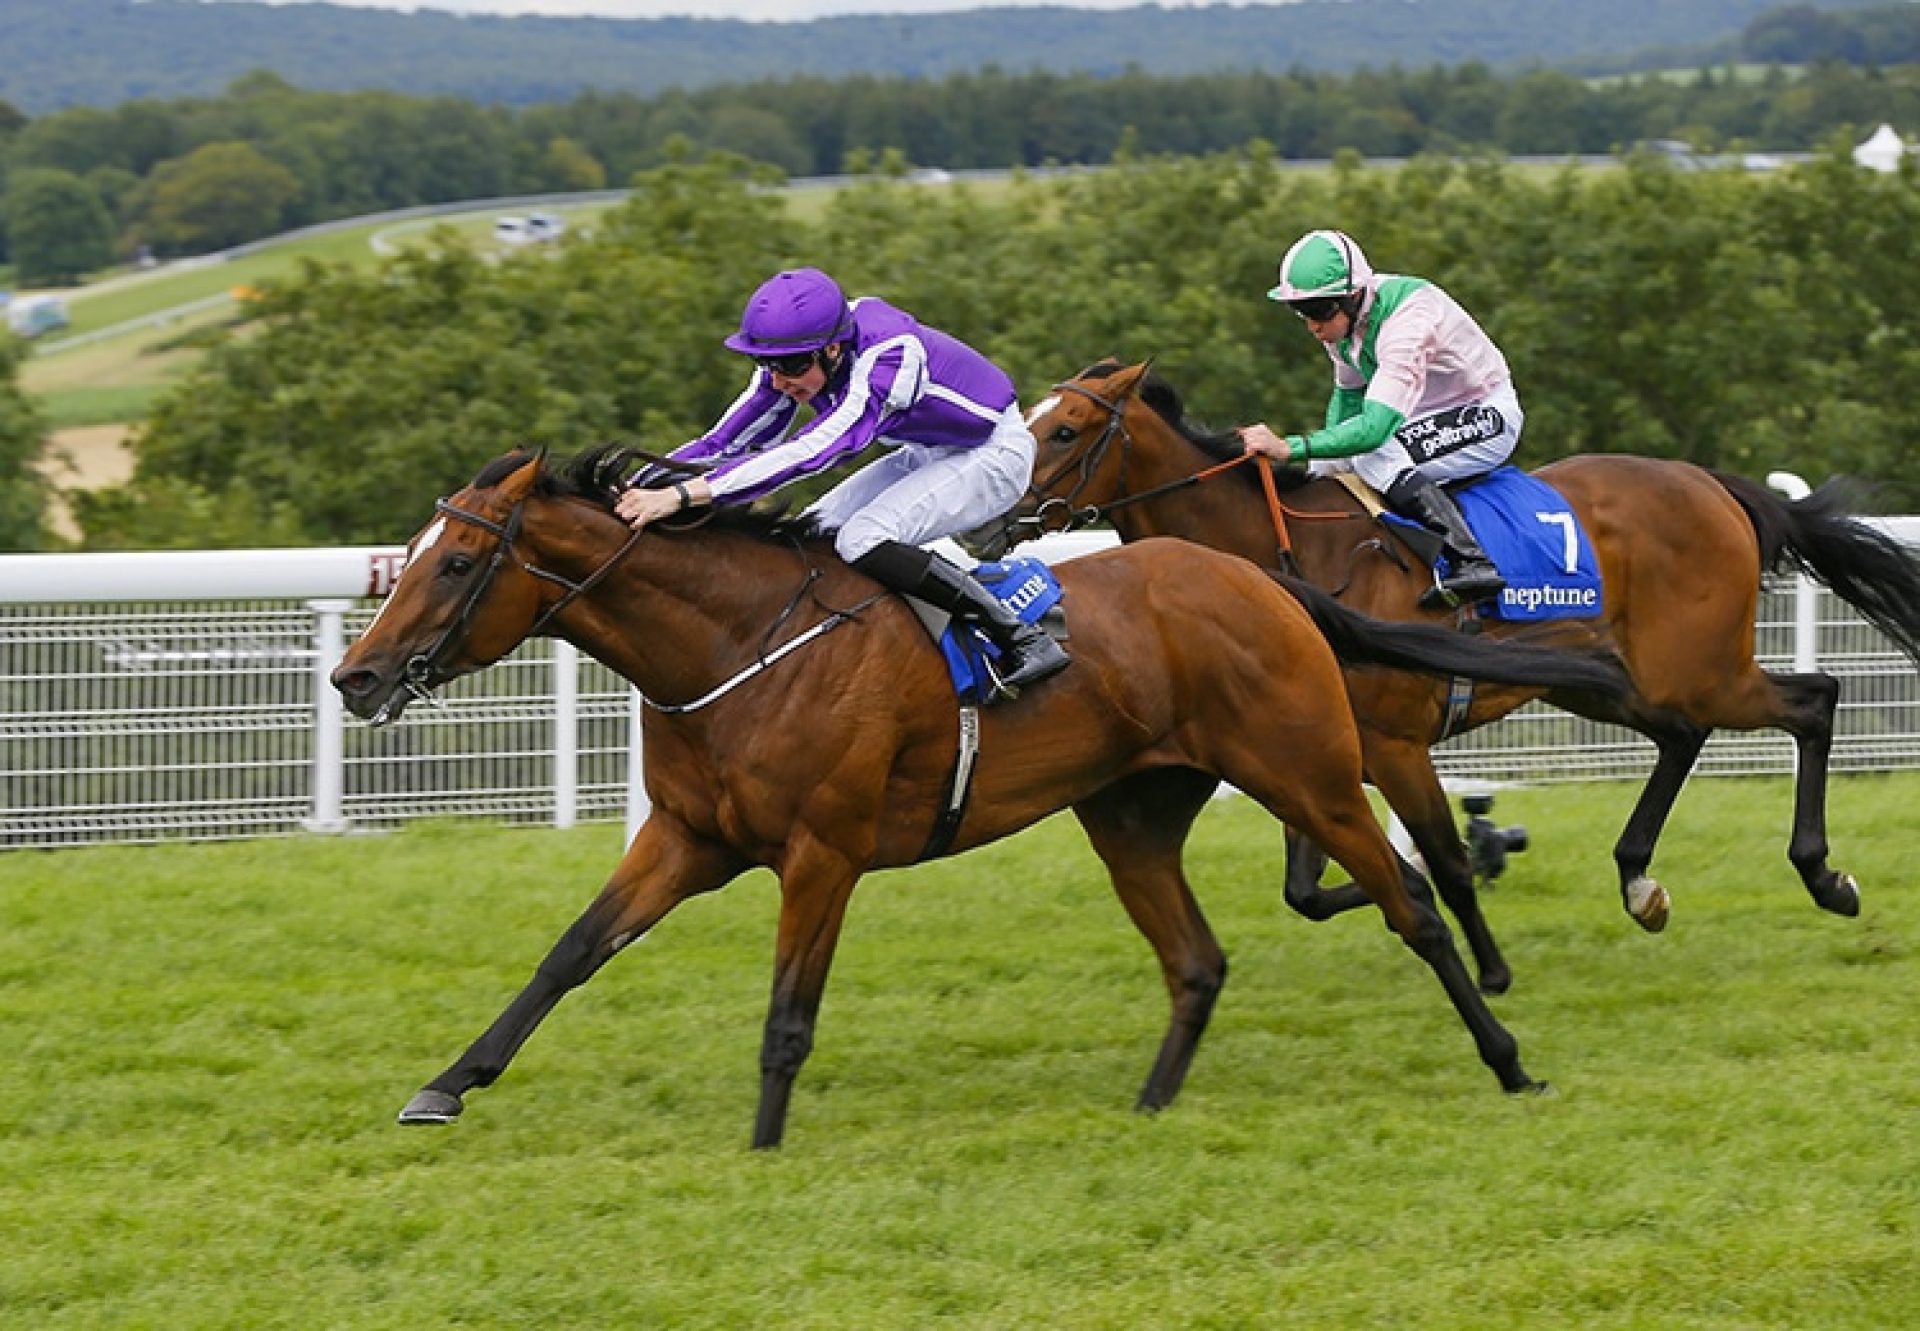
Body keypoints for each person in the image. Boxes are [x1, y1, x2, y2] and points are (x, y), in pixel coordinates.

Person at [614, 267, 1068, 696]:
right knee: (811, 534)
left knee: (861, 537)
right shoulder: (795, 353)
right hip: (926, 452)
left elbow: (815, 450)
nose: (779, 381)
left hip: (994, 453)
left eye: (791, 367)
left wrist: (682, 496)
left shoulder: (891, 354)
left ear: (832, 350)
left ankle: (1021, 637)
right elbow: (726, 441)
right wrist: (635, 485)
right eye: (767, 365)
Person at [1237, 228, 1522, 607]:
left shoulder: (1406, 323)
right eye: (1302, 311)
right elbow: (1348, 397)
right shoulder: (1345, 324)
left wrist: (1291, 448)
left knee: (1372, 455)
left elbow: (1373, 430)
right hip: (1420, 415)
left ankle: (1470, 559)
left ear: (1353, 296)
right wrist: (1318, 469)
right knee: (1328, 465)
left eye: (1319, 311)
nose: (1312, 325)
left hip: (1486, 415)